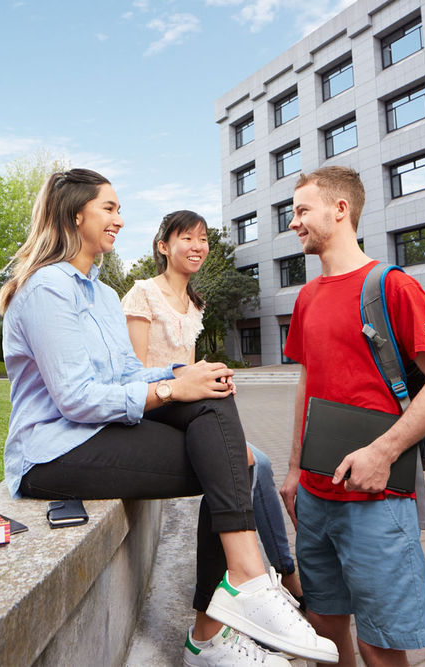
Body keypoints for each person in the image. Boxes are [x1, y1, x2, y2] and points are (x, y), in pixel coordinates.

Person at [0, 168, 337, 666]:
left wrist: (186, 373)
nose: (119, 219)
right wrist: (176, 386)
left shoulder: (102, 295)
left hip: (99, 431)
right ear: (75, 215)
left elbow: (128, 373)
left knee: (223, 425)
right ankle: (240, 593)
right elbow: (76, 399)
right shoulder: (48, 289)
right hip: (54, 451)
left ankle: (215, 624)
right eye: (109, 208)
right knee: (218, 442)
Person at [277, 166, 425, 667]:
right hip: (315, 498)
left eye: (301, 211)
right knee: (323, 629)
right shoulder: (307, 296)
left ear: (340, 210)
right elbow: (306, 386)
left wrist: (385, 450)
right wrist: (294, 470)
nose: (293, 223)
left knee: (378, 644)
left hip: (376, 498)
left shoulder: (392, 287)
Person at [121, 210, 303, 604]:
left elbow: (188, 366)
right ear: (163, 246)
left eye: (202, 239)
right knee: (253, 464)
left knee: (259, 463)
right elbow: (131, 371)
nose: (197, 246)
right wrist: (190, 381)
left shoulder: (194, 302)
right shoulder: (142, 293)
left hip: (186, 409)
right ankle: (272, 578)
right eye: (186, 238)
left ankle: (274, 573)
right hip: (153, 405)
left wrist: (209, 378)